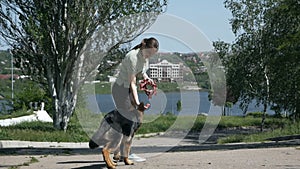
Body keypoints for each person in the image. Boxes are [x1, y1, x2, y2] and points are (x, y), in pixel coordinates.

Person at [112, 37, 159, 162]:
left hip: (128, 89)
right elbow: (132, 83)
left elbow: (142, 72)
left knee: (133, 121)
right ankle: (125, 153)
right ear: (143, 46)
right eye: (149, 53)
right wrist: (137, 103)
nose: (149, 56)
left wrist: (147, 78)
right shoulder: (132, 57)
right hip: (121, 90)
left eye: (152, 55)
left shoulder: (145, 58)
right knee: (129, 120)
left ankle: (119, 153)